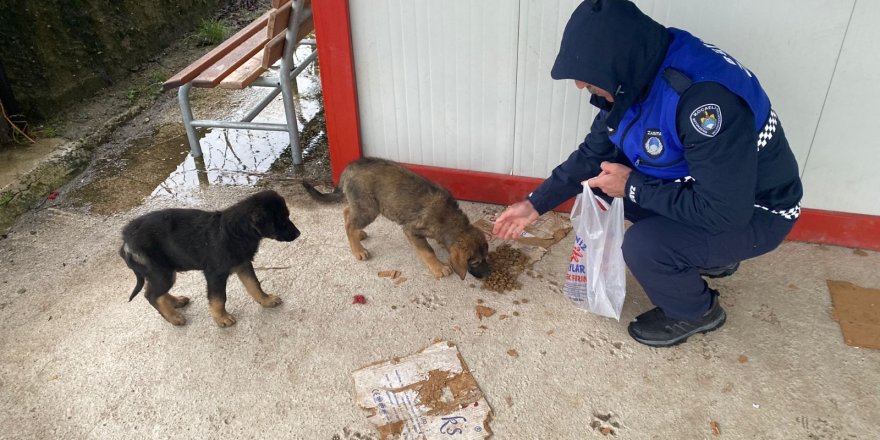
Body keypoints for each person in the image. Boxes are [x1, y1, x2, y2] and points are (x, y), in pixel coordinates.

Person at [492, 0, 803, 347]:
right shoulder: (639, 72)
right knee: (599, 187)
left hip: (756, 212)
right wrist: (534, 204)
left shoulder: (705, 104)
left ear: (617, 60)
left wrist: (634, 187)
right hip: (705, 187)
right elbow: (594, 155)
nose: (581, 85)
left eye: (588, 73)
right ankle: (710, 257)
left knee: (644, 247)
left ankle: (696, 311)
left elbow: (725, 212)